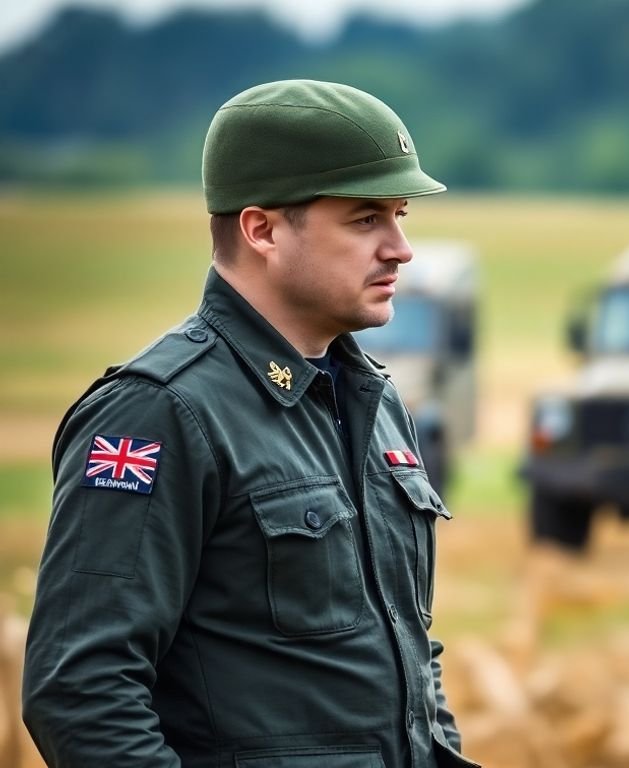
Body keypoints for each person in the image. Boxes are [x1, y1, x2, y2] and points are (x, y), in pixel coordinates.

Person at [22, 79, 478, 768]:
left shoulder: (374, 401)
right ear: (261, 230)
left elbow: (405, 652)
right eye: (365, 219)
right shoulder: (160, 412)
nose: (400, 248)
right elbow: (80, 691)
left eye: (400, 215)